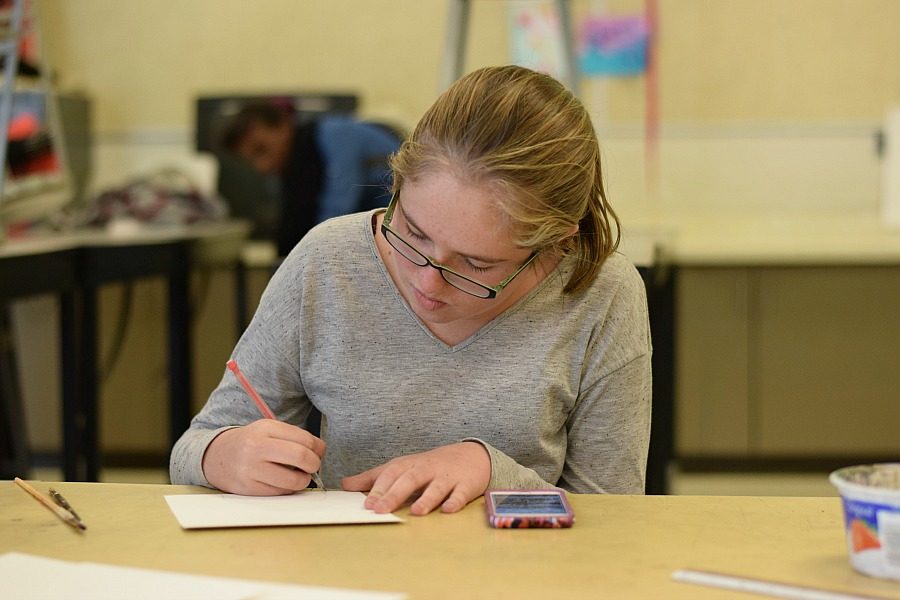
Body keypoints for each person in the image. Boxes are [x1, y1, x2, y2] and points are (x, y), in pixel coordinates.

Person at [171, 65, 652, 516]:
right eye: (413, 233)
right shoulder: (327, 260)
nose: (427, 282)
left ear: (555, 241)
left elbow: (614, 513)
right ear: (396, 183)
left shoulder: (603, 293)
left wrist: (491, 471)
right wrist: (222, 455)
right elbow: (194, 447)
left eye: (476, 263)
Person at [220, 101, 402, 255]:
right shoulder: (292, 168)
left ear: (283, 126)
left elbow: (337, 214)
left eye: (261, 150)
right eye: (250, 162)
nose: (261, 167)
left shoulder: (335, 135)